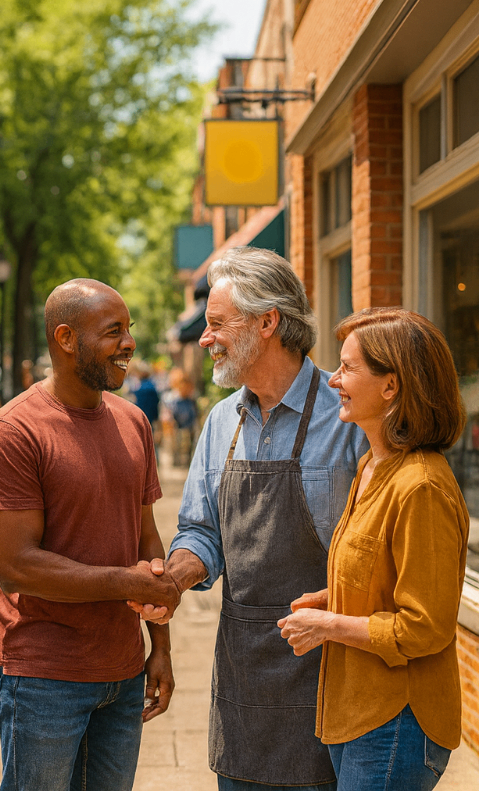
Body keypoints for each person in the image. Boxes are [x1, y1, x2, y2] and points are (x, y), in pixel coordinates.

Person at [153, 248, 368, 790]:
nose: (205, 339)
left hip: (333, 672)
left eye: (217, 323)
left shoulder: (349, 417)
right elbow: (201, 531)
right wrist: (174, 578)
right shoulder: (221, 419)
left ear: (268, 322)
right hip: (245, 679)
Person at [0, 279, 178, 791]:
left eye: (129, 330)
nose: (129, 342)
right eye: (114, 331)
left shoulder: (134, 422)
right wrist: (126, 583)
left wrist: (162, 647)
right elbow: (17, 564)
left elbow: (146, 539)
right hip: (43, 677)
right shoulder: (11, 432)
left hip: (124, 672)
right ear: (66, 338)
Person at [279, 309, 468, 790]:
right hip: (359, 712)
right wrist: (330, 599)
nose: (333, 380)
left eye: (347, 368)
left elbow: (424, 628)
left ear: (391, 386)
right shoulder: (371, 466)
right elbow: (384, 579)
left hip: (397, 722)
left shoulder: (420, 486)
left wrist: (328, 624)